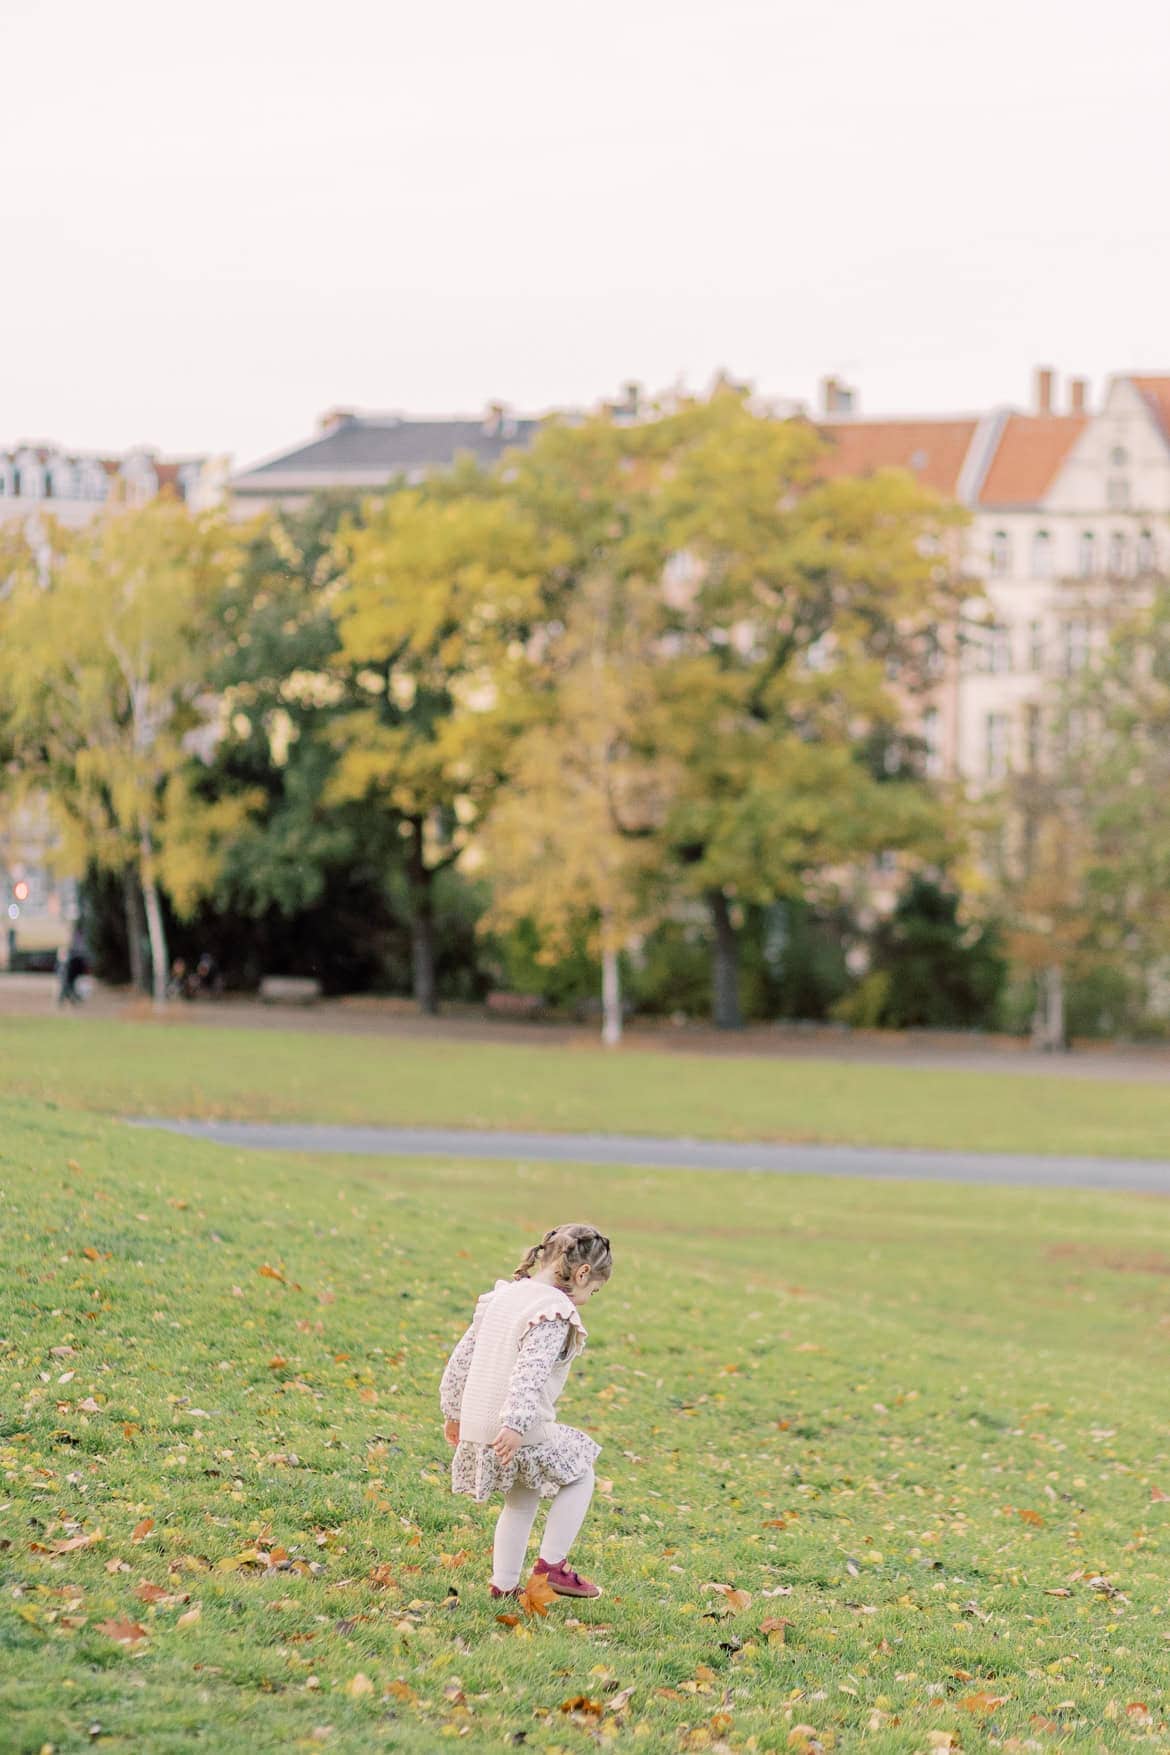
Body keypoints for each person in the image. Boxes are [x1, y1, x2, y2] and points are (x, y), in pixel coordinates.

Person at [439, 1223, 612, 1601]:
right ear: (583, 1273)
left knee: (521, 1500)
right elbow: (530, 1371)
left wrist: (453, 1411)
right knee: (581, 1473)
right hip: (518, 1425)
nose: (589, 1298)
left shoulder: (504, 1296)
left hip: (481, 1422)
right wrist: (516, 1423)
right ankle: (552, 1566)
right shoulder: (552, 1310)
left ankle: (503, 1587)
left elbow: (462, 1356)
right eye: (593, 1290)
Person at [57, 925, 87, 1006]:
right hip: (68, 964)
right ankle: (70, 1000)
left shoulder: (76, 940)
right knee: (67, 984)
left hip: (72, 965)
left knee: (68, 984)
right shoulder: (75, 940)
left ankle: (68, 1000)